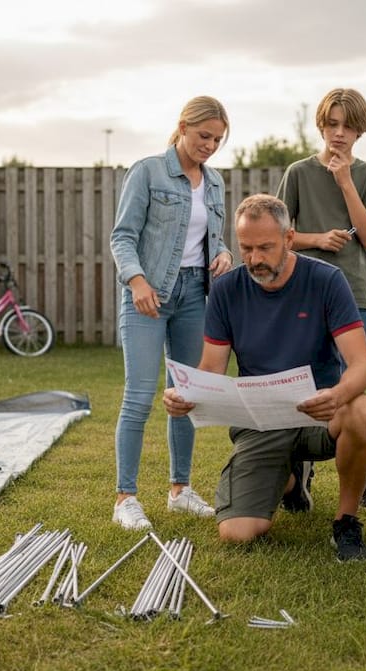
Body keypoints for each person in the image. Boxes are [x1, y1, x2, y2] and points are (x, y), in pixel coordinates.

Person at [163, 194, 366, 562]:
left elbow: (363, 365)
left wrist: (339, 395)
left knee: (363, 412)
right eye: (246, 248)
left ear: (289, 239)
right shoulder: (227, 289)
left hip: (318, 414)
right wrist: (184, 393)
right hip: (260, 423)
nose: (254, 258)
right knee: (237, 534)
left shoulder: (327, 281)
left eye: (265, 247)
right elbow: (213, 367)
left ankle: (346, 520)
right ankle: (291, 483)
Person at [108, 96, 234, 530]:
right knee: (139, 397)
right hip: (147, 295)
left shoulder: (215, 182)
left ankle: (180, 490)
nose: (210, 145)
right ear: (183, 126)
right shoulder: (148, 171)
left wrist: (223, 254)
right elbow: (122, 237)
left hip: (194, 297)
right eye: (204, 136)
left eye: (217, 139)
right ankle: (126, 498)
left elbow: (212, 239)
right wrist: (136, 281)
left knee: (184, 397)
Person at [276, 87, 366, 509]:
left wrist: (344, 181)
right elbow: (279, 236)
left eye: (348, 126)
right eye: (332, 124)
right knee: (302, 382)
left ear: (360, 130)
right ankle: (298, 469)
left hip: (355, 293)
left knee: (351, 386)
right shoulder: (298, 173)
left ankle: (359, 478)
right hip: (302, 292)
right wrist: (316, 239)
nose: (339, 134)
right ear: (321, 125)